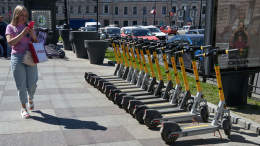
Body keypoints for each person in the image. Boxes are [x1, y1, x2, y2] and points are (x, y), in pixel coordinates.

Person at [5, 5, 39, 118]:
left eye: (25, 16)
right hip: (17, 57)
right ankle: (24, 107)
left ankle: (30, 97)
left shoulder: (28, 27)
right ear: (16, 15)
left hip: (30, 56)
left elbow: (36, 42)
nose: (24, 18)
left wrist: (33, 33)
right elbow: (10, 43)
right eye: (21, 15)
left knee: (33, 83)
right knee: (21, 84)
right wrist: (22, 33)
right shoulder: (10, 27)